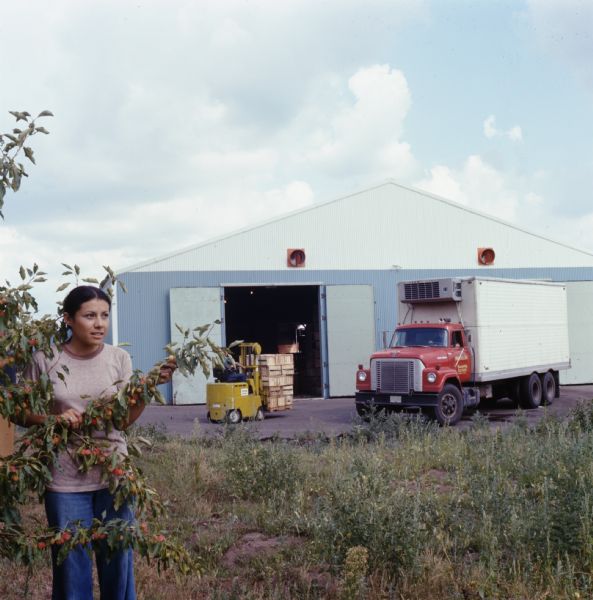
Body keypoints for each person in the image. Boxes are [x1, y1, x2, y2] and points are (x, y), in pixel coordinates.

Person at [22, 285, 174, 600]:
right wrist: (52, 420)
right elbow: (20, 412)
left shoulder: (119, 358)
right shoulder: (45, 359)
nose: (99, 324)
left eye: (104, 315)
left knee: (117, 560)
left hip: (113, 475)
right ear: (68, 319)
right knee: (71, 566)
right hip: (64, 478)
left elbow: (122, 421)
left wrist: (145, 390)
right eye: (89, 316)